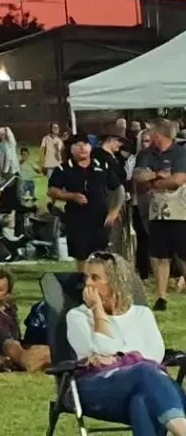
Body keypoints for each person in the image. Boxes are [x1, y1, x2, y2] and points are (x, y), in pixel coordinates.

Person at [68, 251, 186, 436]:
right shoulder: (77, 316)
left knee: (142, 400)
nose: (88, 283)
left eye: (95, 278)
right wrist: (98, 311)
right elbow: (103, 348)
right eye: (86, 277)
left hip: (142, 385)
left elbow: (155, 354)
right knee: (147, 373)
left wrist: (118, 358)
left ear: (115, 282)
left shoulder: (142, 314)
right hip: (95, 386)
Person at [134, 120, 186, 311]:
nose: (149, 136)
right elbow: (139, 176)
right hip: (156, 212)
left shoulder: (181, 153)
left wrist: (154, 183)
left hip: (180, 212)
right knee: (159, 255)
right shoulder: (146, 154)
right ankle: (161, 297)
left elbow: (179, 179)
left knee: (183, 253)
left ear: (159, 134)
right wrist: (159, 175)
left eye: (152, 133)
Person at [51, 135, 123, 267]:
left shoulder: (102, 166)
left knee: (102, 256)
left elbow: (118, 188)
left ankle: (102, 282)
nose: (82, 148)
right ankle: (83, 282)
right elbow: (52, 191)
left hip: (100, 218)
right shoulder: (63, 169)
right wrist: (71, 196)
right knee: (81, 256)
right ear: (71, 149)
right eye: (78, 145)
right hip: (77, 219)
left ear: (91, 147)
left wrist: (115, 210)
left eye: (85, 144)